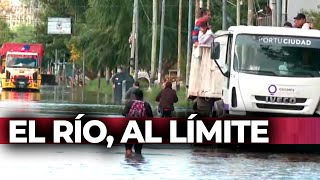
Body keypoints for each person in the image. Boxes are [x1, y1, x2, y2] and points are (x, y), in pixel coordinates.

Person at [122, 89, 153, 155]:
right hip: (141, 128)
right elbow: (151, 117)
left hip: (130, 127)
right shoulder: (146, 104)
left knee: (128, 148)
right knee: (138, 149)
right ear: (142, 96)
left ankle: (128, 162)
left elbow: (123, 113)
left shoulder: (130, 103)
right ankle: (138, 160)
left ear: (134, 96)